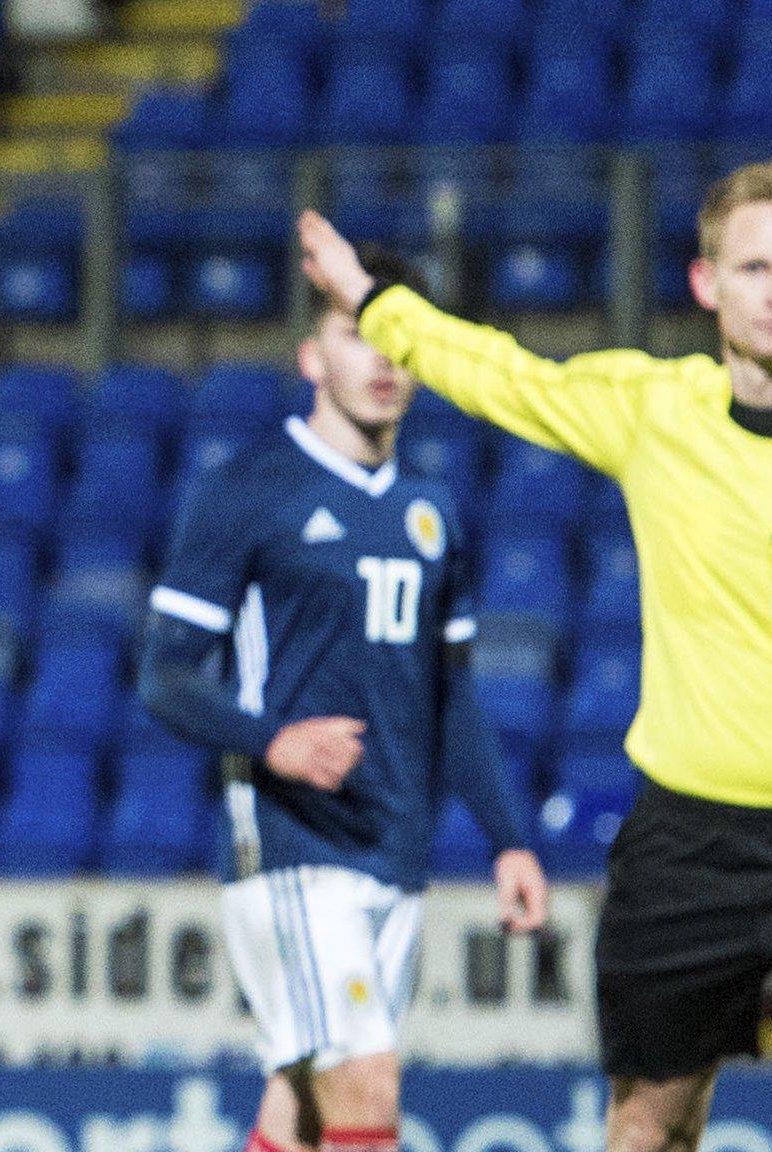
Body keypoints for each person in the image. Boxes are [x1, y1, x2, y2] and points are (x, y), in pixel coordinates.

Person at [299, 160, 772, 1152]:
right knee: (647, 1124)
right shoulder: (649, 409)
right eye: (755, 267)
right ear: (705, 283)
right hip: (687, 840)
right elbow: (500, 376)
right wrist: (374, 304)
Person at [139, 249, 550, 1152]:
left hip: (395, 842)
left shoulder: (431, 510)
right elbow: (165, 674)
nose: (382, 360)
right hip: (291, 839)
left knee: (303, 1107)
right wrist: (272, 740)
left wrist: (509, 837)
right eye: (356, 335)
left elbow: (451, 695)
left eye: (396, 339)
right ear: (311, 356)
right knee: (366, 1085)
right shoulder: (248, 489)